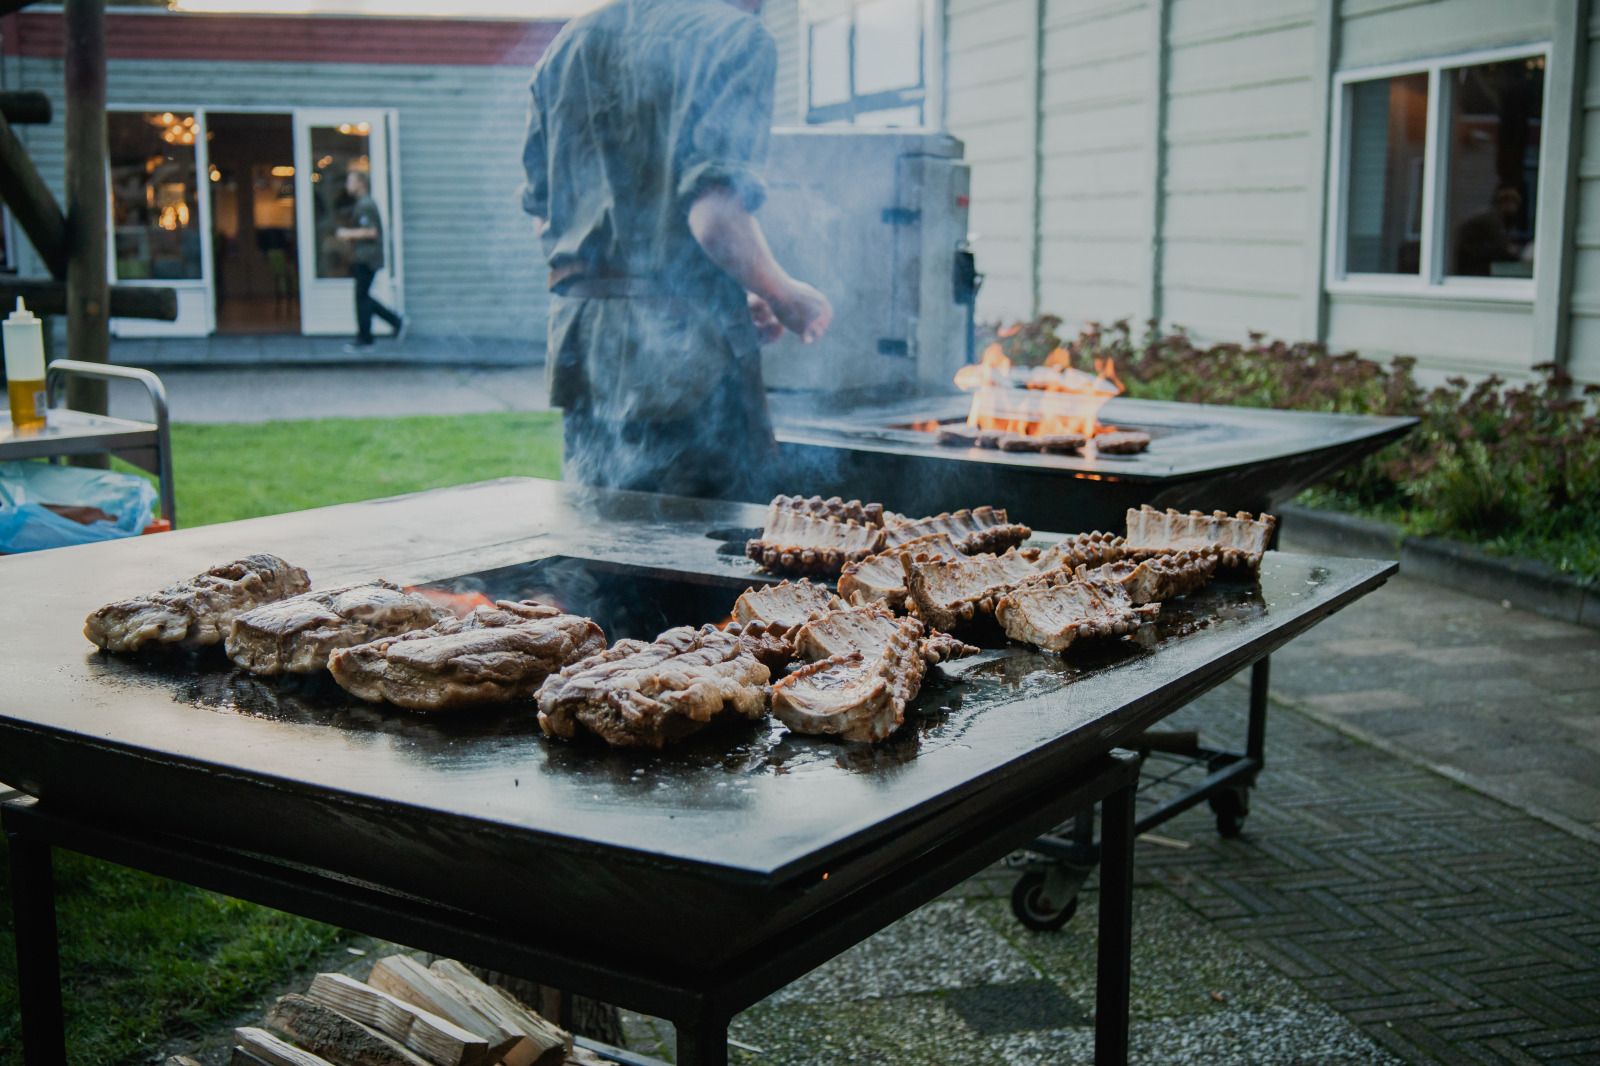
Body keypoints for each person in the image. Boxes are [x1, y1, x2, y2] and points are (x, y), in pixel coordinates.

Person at [520, 0, 832, 501]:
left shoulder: (568, 44)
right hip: (688, 361)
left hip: (584, 349)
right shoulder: (735, 38)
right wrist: (785, 295)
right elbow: (715, 219)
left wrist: (720, 289)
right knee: (710, 541)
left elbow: (544, 215)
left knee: (600, 534)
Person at [337, 170, 407, 352]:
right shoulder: (363, 203)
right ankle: (394, 322)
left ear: (361, 183)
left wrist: (347, 233)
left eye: (350, 181)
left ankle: (366, 338)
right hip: (365, 257)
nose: (347, 185)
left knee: (362, 297)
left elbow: (372, 232)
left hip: (367, 258)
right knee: (363, 297)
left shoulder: (365, 204)